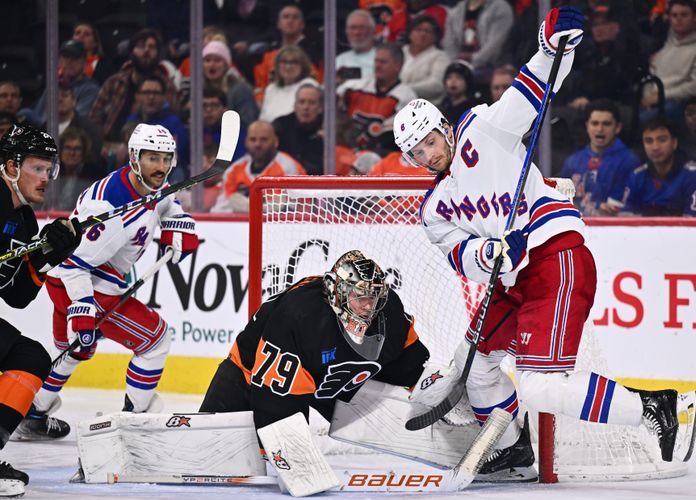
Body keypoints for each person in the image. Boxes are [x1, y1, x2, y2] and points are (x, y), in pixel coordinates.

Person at [393, 7, 696, 476]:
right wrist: (488, 252)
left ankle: (658, 408)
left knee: (538, 386)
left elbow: (528, 92)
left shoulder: (483, 128)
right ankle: (513, 444)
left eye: (431, 140)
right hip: (510, 278)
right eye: (417, 152)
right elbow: (461, 255)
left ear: (444, 127)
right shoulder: (434, 208)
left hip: (554, 257)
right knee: (478, 365)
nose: (429, 154)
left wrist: (554, 45)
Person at [14, 124, 199, 439]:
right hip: (82, 280)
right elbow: (73, 260)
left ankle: (32, 414)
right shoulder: (107, 210)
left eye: (166, 158)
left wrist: (178, 225)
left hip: (84, 277)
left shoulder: (149, 182)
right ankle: (134, 424)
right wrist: (84, 307)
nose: (161, 166)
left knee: (73, 349)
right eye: (152, 157)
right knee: (155, 341)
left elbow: (167, 201)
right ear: (134, 157)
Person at [198, 250, 427, 437]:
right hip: (248, 373)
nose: (369, 306)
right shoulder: (301, 315)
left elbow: (409, 362)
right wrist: (286, 446)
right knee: (208, 443)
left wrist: (430, 393)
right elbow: (277, 396)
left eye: (374, 296)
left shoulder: (388, 312)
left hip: (324, 380)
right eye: (361, 296)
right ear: (336, 292)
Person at [0, 124, 82, 497]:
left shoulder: (25, 219)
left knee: (31, 358)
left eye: (50, 169)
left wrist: (46, 256)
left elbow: (16, 296)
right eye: (37, 167)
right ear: (11, 167)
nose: (46, 177)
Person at [89, 28, 179, 145]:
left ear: (158, 54)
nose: (146, 50)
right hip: (107, 147)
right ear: (131, 52)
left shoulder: (166, 86)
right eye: (141, 46)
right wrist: (102, 146)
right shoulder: (114, 82)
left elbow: (172, 122)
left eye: (151, 47)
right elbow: (94, 118)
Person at [641, 0, 696, 122]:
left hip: (682, 105)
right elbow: (650, 76)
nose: (678, 19)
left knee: (642, 119)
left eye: (684, 15)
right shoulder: (664, 49)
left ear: (695, 18)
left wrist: (662, 96)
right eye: (674, 15)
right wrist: (647, 97)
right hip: (654, 102)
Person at [560, 99, 640, 216]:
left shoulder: (629, 162)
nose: (600, 129)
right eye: (595, 123)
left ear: (617, 127)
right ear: (587, 126)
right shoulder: (572, 162)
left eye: (606, 124)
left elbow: (625, 208)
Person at [619, 117, 696, 217]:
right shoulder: (637, 175)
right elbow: (626, 217)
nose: (655, 147)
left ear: (674, 143)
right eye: (649, 141)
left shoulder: (694, 176)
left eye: (662, 140)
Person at [338, 43, 416, 155]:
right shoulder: (354, 88)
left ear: (398, 66)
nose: (377, 66)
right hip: (347, 152)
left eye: (383, 62)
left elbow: (395, 139)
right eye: (376, 61)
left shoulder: (406, 97)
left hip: (382, 157)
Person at [212, 120, 305, 214]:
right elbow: (219, 210)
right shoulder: (233, 171)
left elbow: (294, 209)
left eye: (264, 139)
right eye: (253, 139)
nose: (257, 144)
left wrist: (246, 206)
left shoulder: (289, 168)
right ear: (246, 142)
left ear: (275, 141)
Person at [126, 75, 189, 179]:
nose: (151, 97)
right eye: (146, 92)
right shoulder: (132, 119)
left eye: (156, 93)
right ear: (137, 96)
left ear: (164, 97)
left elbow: (178, 157)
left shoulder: (174, 123)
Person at [442, 0, 513, 83]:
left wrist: (471, 64)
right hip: (460, 66)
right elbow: (449, 43)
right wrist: (456, 65)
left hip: (492, 65)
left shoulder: (500, 8)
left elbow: (495, 44)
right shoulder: (455, 11)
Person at [202, 41, 259, 126]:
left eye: (217, 60)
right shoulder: (197, 90)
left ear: (226, 65)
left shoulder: (241, 90)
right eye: (207, 60)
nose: (211, 65)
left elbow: (249, 123)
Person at [272, 83, 324, 175]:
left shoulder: (330, 128)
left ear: (320, 108)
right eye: (301, 102)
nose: (306, 107)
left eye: (311, 103)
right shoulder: (280, 126)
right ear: (295, 105)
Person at [259, 45, 319, 123]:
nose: (288, 67)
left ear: (303, 65)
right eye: (284, 62)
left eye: (293, 62)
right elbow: (263, 118)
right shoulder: (271, 88)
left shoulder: (309, 85)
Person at [399, 16, 449, 105]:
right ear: (410, 33)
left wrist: (404, 89)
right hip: (394, 101)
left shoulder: (440, 57)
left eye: (428, 31)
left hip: (425, 106)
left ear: (435, 37)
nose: (423, 34)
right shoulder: (399, 52)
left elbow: (437, 85)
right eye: (418, 30)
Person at [202, 87, 246, 162]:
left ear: (225, 109)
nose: (208, 110)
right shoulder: (192, 132)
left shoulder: (236, 133)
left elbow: (239, 162)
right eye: (204, 106)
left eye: (214, 105)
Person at [335, 10, 377, 83]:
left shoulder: (381, 59)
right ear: (346, 32)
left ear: (372, 31)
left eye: (362, 28)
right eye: (353, 28)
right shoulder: (339, 60)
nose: (357, 32)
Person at [440, 60, 477, 126]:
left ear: (468, 82)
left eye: (459, 78)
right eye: (449, 77)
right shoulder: (444, 105)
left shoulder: (473, 109)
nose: (453, 81)